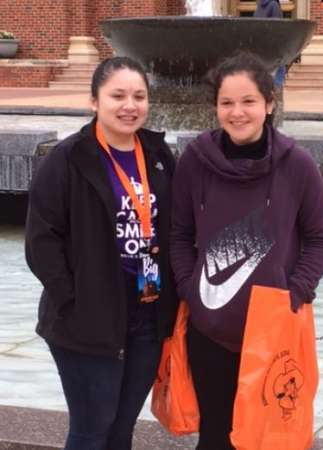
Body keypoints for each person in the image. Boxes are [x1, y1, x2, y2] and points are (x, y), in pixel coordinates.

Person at [170, 52, 323, 450]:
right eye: (227, 103)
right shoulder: (195, 160)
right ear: (216, 107)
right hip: (210, 331)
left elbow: (322, 238)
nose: (237, 112)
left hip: (272, 334)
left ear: (269, 104)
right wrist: (191, 290)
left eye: (248, 102)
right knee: (215, 437)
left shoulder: (296, 165)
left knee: (269, 441)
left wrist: (293, 295)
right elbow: (178, 235)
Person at [25, 56, 178, 450]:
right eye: (118, 96)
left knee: (121, 429)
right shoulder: (68, 158)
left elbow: (177, 229)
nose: (130, 105)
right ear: (95, 101)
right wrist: (73, 299)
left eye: (139, 96)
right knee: (91, 431)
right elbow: (41, 240)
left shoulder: (159, 156)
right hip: (87, 318)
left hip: (147, 310)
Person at [254, 0, 287, 88]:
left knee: (272, 81)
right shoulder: (269, 5)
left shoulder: (266, 6)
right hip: (269, 49)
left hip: (267, 49)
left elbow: (276, 27)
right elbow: (277, 26)